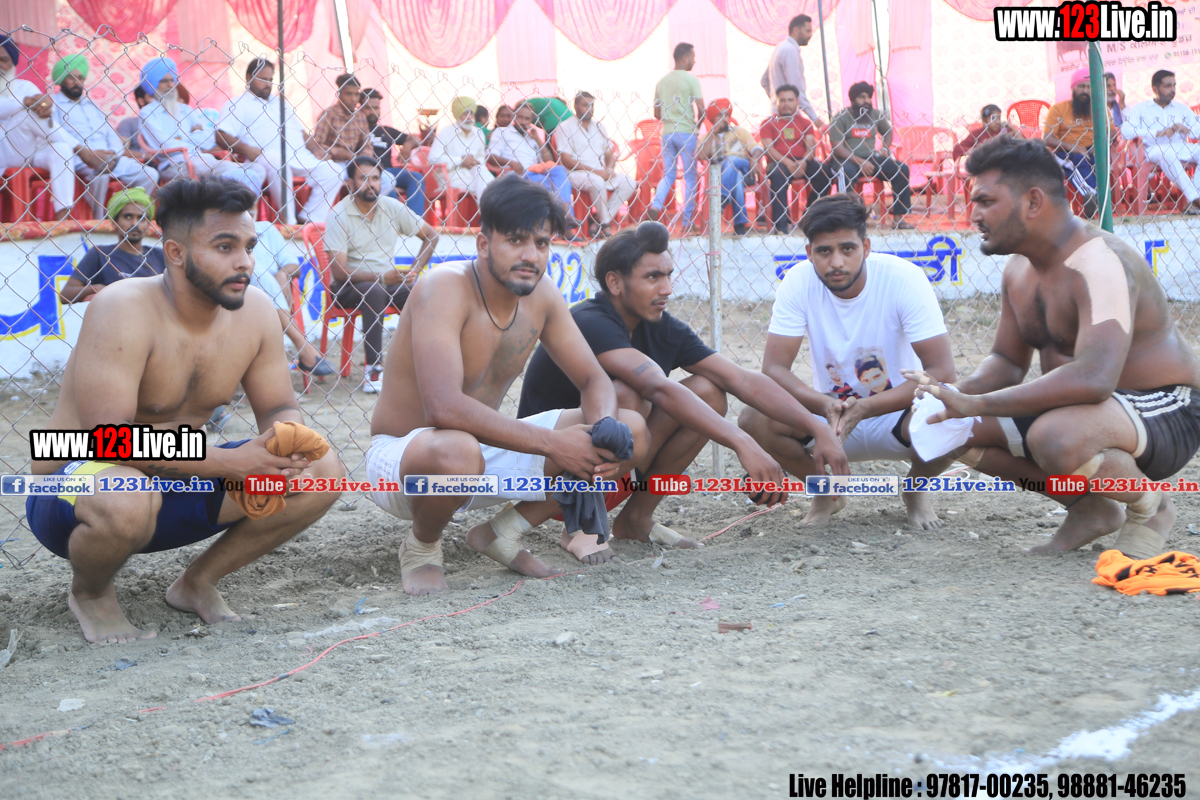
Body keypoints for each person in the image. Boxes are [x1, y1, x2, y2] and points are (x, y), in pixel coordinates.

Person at [25, 176, 345, 644]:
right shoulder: (120, 308)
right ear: (175, 252)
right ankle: (91, 593)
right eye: (224, 247)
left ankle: (197, 582)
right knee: (123, 491)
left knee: (322, 469)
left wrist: (286, 440)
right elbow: (107, 441)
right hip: (73, 488)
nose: (244, 262)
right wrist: (232, 462)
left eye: (249, 247)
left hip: (178, 480)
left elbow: (279, 406)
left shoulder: (257, 312)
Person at [907, 136, 1200, 558]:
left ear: (1032, 201)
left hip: (1168, 410)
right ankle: (1089, 509)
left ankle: (1151, 508)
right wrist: (953, 396)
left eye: (986, 201)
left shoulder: (1101, 261)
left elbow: (1095, 378)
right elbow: (1007, 362)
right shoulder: (1018, 268)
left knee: (1056, 436)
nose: (975, 215)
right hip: (1088, 412)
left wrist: (980, 404)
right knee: (947, 426)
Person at [365, 175, 649, 592]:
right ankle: (422, 546)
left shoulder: (542, 295)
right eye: (515, 240)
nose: (530, 255)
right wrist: (555, 444)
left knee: (629, 429)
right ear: (483, 244)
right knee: (456, 449)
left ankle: (503, 532)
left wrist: (603, 432)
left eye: (541, 243)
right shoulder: (443, 287)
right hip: (407, 463)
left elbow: (594, 380)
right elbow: (442, 408)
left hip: (479, 454)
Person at [519, 220, 846, 549]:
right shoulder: (589, 321)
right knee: (627, 395)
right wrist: (742, 442)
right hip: (545, 473)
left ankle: (636, 519)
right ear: (615, 283)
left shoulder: (662, 326)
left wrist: (817, 429)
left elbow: (741, 378)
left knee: (708, 391)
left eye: (668, 275)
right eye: (653, 277)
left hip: (614, 471)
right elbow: (658, 388)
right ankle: (581, 525)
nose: (667, 289)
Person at [737, 195, 957, 528]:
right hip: (830, 419)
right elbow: (774, 369)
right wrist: (824, 405)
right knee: (754, 417)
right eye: (824, 251)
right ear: (809, 252)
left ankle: (916, 488)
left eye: (848, 249)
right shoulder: (797, 281)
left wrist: (867, 407)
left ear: (866, 247)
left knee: (957, 411)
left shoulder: (904, 278)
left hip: (899, 413)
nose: (836, 262)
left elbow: (942, 371)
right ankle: (827, 493)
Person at [324, 156, 439, 394]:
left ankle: (423, 364)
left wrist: (415, 270)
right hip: (348, 287)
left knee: (422, 291)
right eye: (363, 178)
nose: (371, 184)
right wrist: (382, 278)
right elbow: (340, 272)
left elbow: (431, 235)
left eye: (375, 178)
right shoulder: (339, 214)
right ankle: (374, 369)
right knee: (375, 291)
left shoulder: (390, 206)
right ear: (350, 183)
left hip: (385, 283)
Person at [216, 58, 344, 224]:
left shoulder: (280, 103)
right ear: (249, 77)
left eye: (270, 80)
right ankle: (289, 222)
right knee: (278, 161)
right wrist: (247, 149)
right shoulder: (236, 104)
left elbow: (301, 132)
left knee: (334, 171)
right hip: (266, 156)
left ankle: (309, 220)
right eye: (263, 79)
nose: (268, 84)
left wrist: (316, 149)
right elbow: (221, 135)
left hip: (300, 155)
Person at [51, 55, 159, 219]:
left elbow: (110, 134)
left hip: (111, 158)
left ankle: (126, 214)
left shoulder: (91, 104)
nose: (77, 82)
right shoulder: (53, 104)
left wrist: (113, 153)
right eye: (71, 78)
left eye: (80, 78)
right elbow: (56, 136)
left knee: (150, 175)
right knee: (100, 175)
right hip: (81, 160)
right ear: (61, 79)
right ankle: (99, 221)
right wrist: (91, 156)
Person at [138, 57, 265, 191]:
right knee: (231, 170)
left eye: (172, 80)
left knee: (258, 169)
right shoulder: (147, 113)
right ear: (153, 85)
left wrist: (182, 138)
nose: (170, 85)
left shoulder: (184, 109)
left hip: (203, 160)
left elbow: (209, 138)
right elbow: (165, 145)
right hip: (175, 164)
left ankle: (242, 204)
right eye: (164, 81)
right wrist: (194, 137)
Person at [0, 32, 79, 221]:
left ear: (12, 64)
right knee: (27, 113)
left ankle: (62, 216)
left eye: (4, 60)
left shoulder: (25, 86)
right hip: (4, 155)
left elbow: (45, 110)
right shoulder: (25, 95)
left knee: (62, 148)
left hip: (30, 152)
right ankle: (81, 149)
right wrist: (26, 102)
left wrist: (45, 104)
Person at [249, 219, 334, 377]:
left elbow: (293, 264)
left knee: (266, 279)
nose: (250, 208)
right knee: (259, 275)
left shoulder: (266, 229)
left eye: (252, 204)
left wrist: (283, 273)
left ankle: (302, 351)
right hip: (245, 289)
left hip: (273, 292)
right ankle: (304, 347)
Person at [827, 82, 914, 230]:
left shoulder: (875, 115)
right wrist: (860, 162)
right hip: (845, 159)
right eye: (862, 97)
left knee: (901, 169)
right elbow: (837, 148)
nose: (866, 101)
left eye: (868, 97)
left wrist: (885, 148)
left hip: (871, 158)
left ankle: (898, 219)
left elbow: (888, 132)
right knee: (845, 171)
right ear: (853, 99)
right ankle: (846, 220)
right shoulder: (841, 117)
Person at [60, 188, 165, 303]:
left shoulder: (160, 256)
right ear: (115, 222)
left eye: (141, 218)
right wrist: (96, 288)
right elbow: (65, 295)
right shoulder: (100, 254)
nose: (135, 223)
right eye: (128, 217)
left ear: (148, 224)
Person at [555, 92, 636, 238]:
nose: (590, 109)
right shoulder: (565, 127)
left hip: (601, 173)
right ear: (576, 106)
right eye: (585, 105)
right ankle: (605, 224)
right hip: (576, 173)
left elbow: (609, 153)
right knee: (597, 181)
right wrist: (596, 171)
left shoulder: (599, 127)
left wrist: (609, 169)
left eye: (592, 105)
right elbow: (566, 160)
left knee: (630, 183)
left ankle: (598, 220)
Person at [1120, 70, 1200, 215]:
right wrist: (1157, 132)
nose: (1172, 90)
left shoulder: (1182, 109)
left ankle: (1192, 201)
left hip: (1181, 147)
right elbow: (1126, 132)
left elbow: (1198, 130)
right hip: (1154, 149)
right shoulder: (1141, 109)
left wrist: (1186, 129)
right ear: (1155, 89)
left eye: (1174, 85)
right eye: (1168, 86)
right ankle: (1195, 199)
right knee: (1167, 154)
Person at [486, 101, 578, 227]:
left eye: (527, 119)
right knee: (552, 186)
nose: (523, 122)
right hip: (516, 174)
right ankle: (565, 224)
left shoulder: (532, 136)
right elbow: (490, 156)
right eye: (520, 117)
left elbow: (549, 161)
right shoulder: (502, 132)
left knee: (560, 171)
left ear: (531, 121)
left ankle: (566, 214)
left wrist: (538, 140)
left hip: (536, 173)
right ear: (514, 117)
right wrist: (512, 162)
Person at [1042, 67, 1113, 217]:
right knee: (1078, 159)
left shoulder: (1101, 109)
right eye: (1081, 86)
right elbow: (1047, 138)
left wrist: (1098, 146)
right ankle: (1095, 195)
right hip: (1066, 151)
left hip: (1094, 149)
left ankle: (1094, 197)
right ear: (1073, 88)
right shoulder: (1058, 109)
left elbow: (1112, 132)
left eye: (1089, 87)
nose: (1085, 91)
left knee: (1097, 161)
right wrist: (1071, 146)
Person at [649, 43, 705, 230]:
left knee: (669, 174)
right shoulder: (691, 80)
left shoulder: (661, 82)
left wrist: (670, 120)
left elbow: (657, 113)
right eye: (693, 57)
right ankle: (687, 222)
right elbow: (702, 110)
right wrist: (695, 128)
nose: (694, 61)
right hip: (686, 133)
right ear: (684, 58)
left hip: (667, 133)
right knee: (690, 176)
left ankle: (655, 206)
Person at [760, 85, 829, 234]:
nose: (786, 104)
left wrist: (803, 162)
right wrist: (788, 163)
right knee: (777, 174)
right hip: (778, 162)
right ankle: (781, 225)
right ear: (776, 102)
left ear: (797, 101)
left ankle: (809, 217)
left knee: (825, 173)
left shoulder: (805, 122)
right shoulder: (768, 123)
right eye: (782, 100)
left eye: (790, 100)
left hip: (802, 161)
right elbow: (769, 149)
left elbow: (811, 147)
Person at [697, 99, 764, 236]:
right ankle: (740, 226)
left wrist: (755, 158)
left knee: (733, 160)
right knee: (736, 178)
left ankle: (722, 198)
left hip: (745, 170)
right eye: (719, 115)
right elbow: (701, 155)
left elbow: (756, 148)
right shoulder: (706, 137)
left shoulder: (739, 131)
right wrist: (712, 133)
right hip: (722, 174)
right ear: (712, 118)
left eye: (726, 115)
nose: (724, 119)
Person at [359, 88, 425, 218]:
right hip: (369, 172)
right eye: (368, 108)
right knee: (385, 181)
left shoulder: (386, 131)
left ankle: (414, 220)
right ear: (360, 108)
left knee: (417, 178)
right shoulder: (355, 130)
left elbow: (416, 139)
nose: (373, 112)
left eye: (376, 108)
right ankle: (397, 219)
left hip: (390, 170)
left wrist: (407, 146)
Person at [760, 14, 824, 126]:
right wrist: (816, 120)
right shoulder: (790, 50)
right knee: (790, 138)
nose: (810, 35)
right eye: (807, 31)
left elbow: (764, 81)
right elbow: (796, 88)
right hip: (788, 116)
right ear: (796, 30)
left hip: (778, 113)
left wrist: (779, 101)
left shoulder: (781, 47)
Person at [428, 95, 494, 202]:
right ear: (457, 115)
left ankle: (487, 208)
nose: (469, 117)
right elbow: (433, 158)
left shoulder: (478, 133)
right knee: (484, 187)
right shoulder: (446, 133)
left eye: (471, 113)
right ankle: (487, 210)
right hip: (451, 175)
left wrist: (475, 161)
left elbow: (481, 156)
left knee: (486, 178)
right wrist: (460, 160)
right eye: (465, 113)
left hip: (474, 173)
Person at [310, 73, 371, 173]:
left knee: (387, 178)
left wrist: (363, 159)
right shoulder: (329, 114)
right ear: (339, 94)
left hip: (355, 163)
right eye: (348, 94)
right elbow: (317, 144)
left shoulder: (360, 116)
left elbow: (367, 146)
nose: (353, 99)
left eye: (356, 94)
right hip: (333, 163)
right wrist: (341, 153)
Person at [951, 104, 1023, 161]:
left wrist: (1012, 127)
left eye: (999, 118)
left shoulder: (1005, 131)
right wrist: (978, 151)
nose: (997, 121)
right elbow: (958, 148)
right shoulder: (977, 133)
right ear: (984, 120)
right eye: (993, 118)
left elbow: (1023, 143)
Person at [115, 86, 151, 151]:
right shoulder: (128, 123)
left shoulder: (169, 121)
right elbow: (121, 151)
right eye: (153, 97)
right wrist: (145, 155)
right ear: (141, 101)